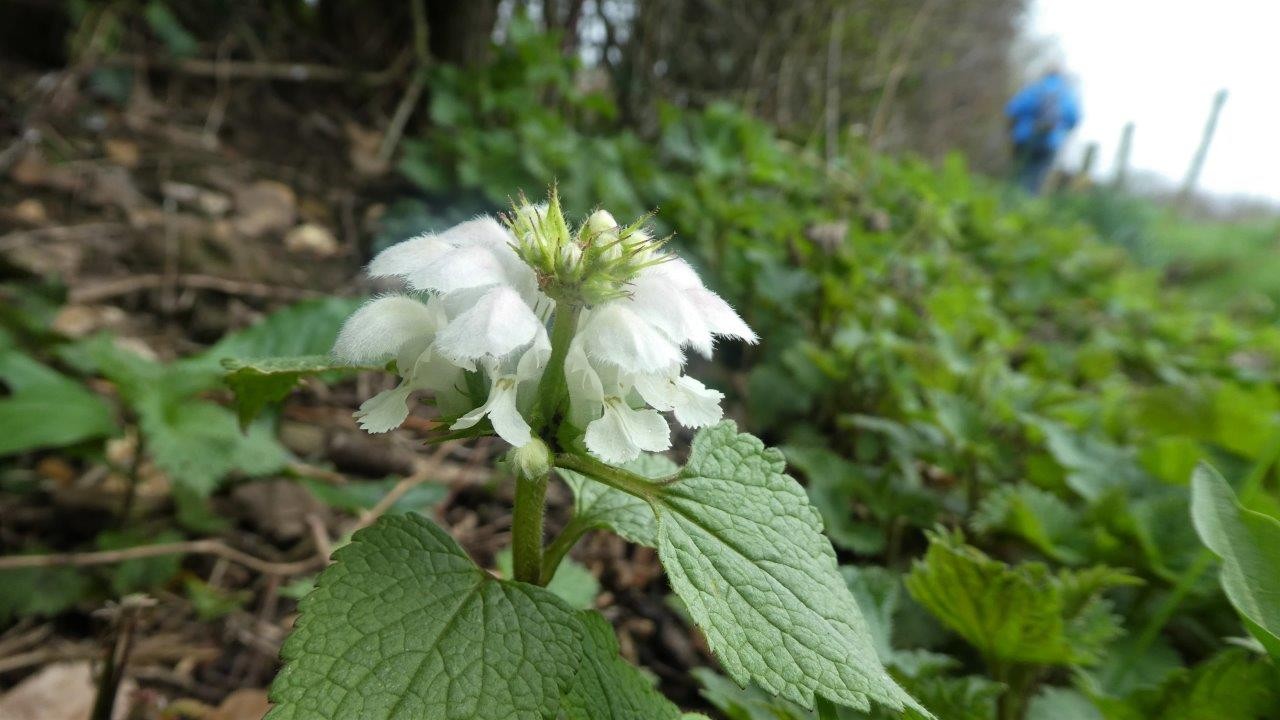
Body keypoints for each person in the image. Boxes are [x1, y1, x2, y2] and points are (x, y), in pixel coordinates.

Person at [1005, 67, 1081, 194]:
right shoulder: (1067, 94)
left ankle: (1010, 199)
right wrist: (1061, 131)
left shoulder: (1034, 89)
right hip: (1049, 142)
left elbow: (1013, 108)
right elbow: (1074, 119)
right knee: (1036, 177)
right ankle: (1026, 204)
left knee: (1019, 172)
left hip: (1025, 138)